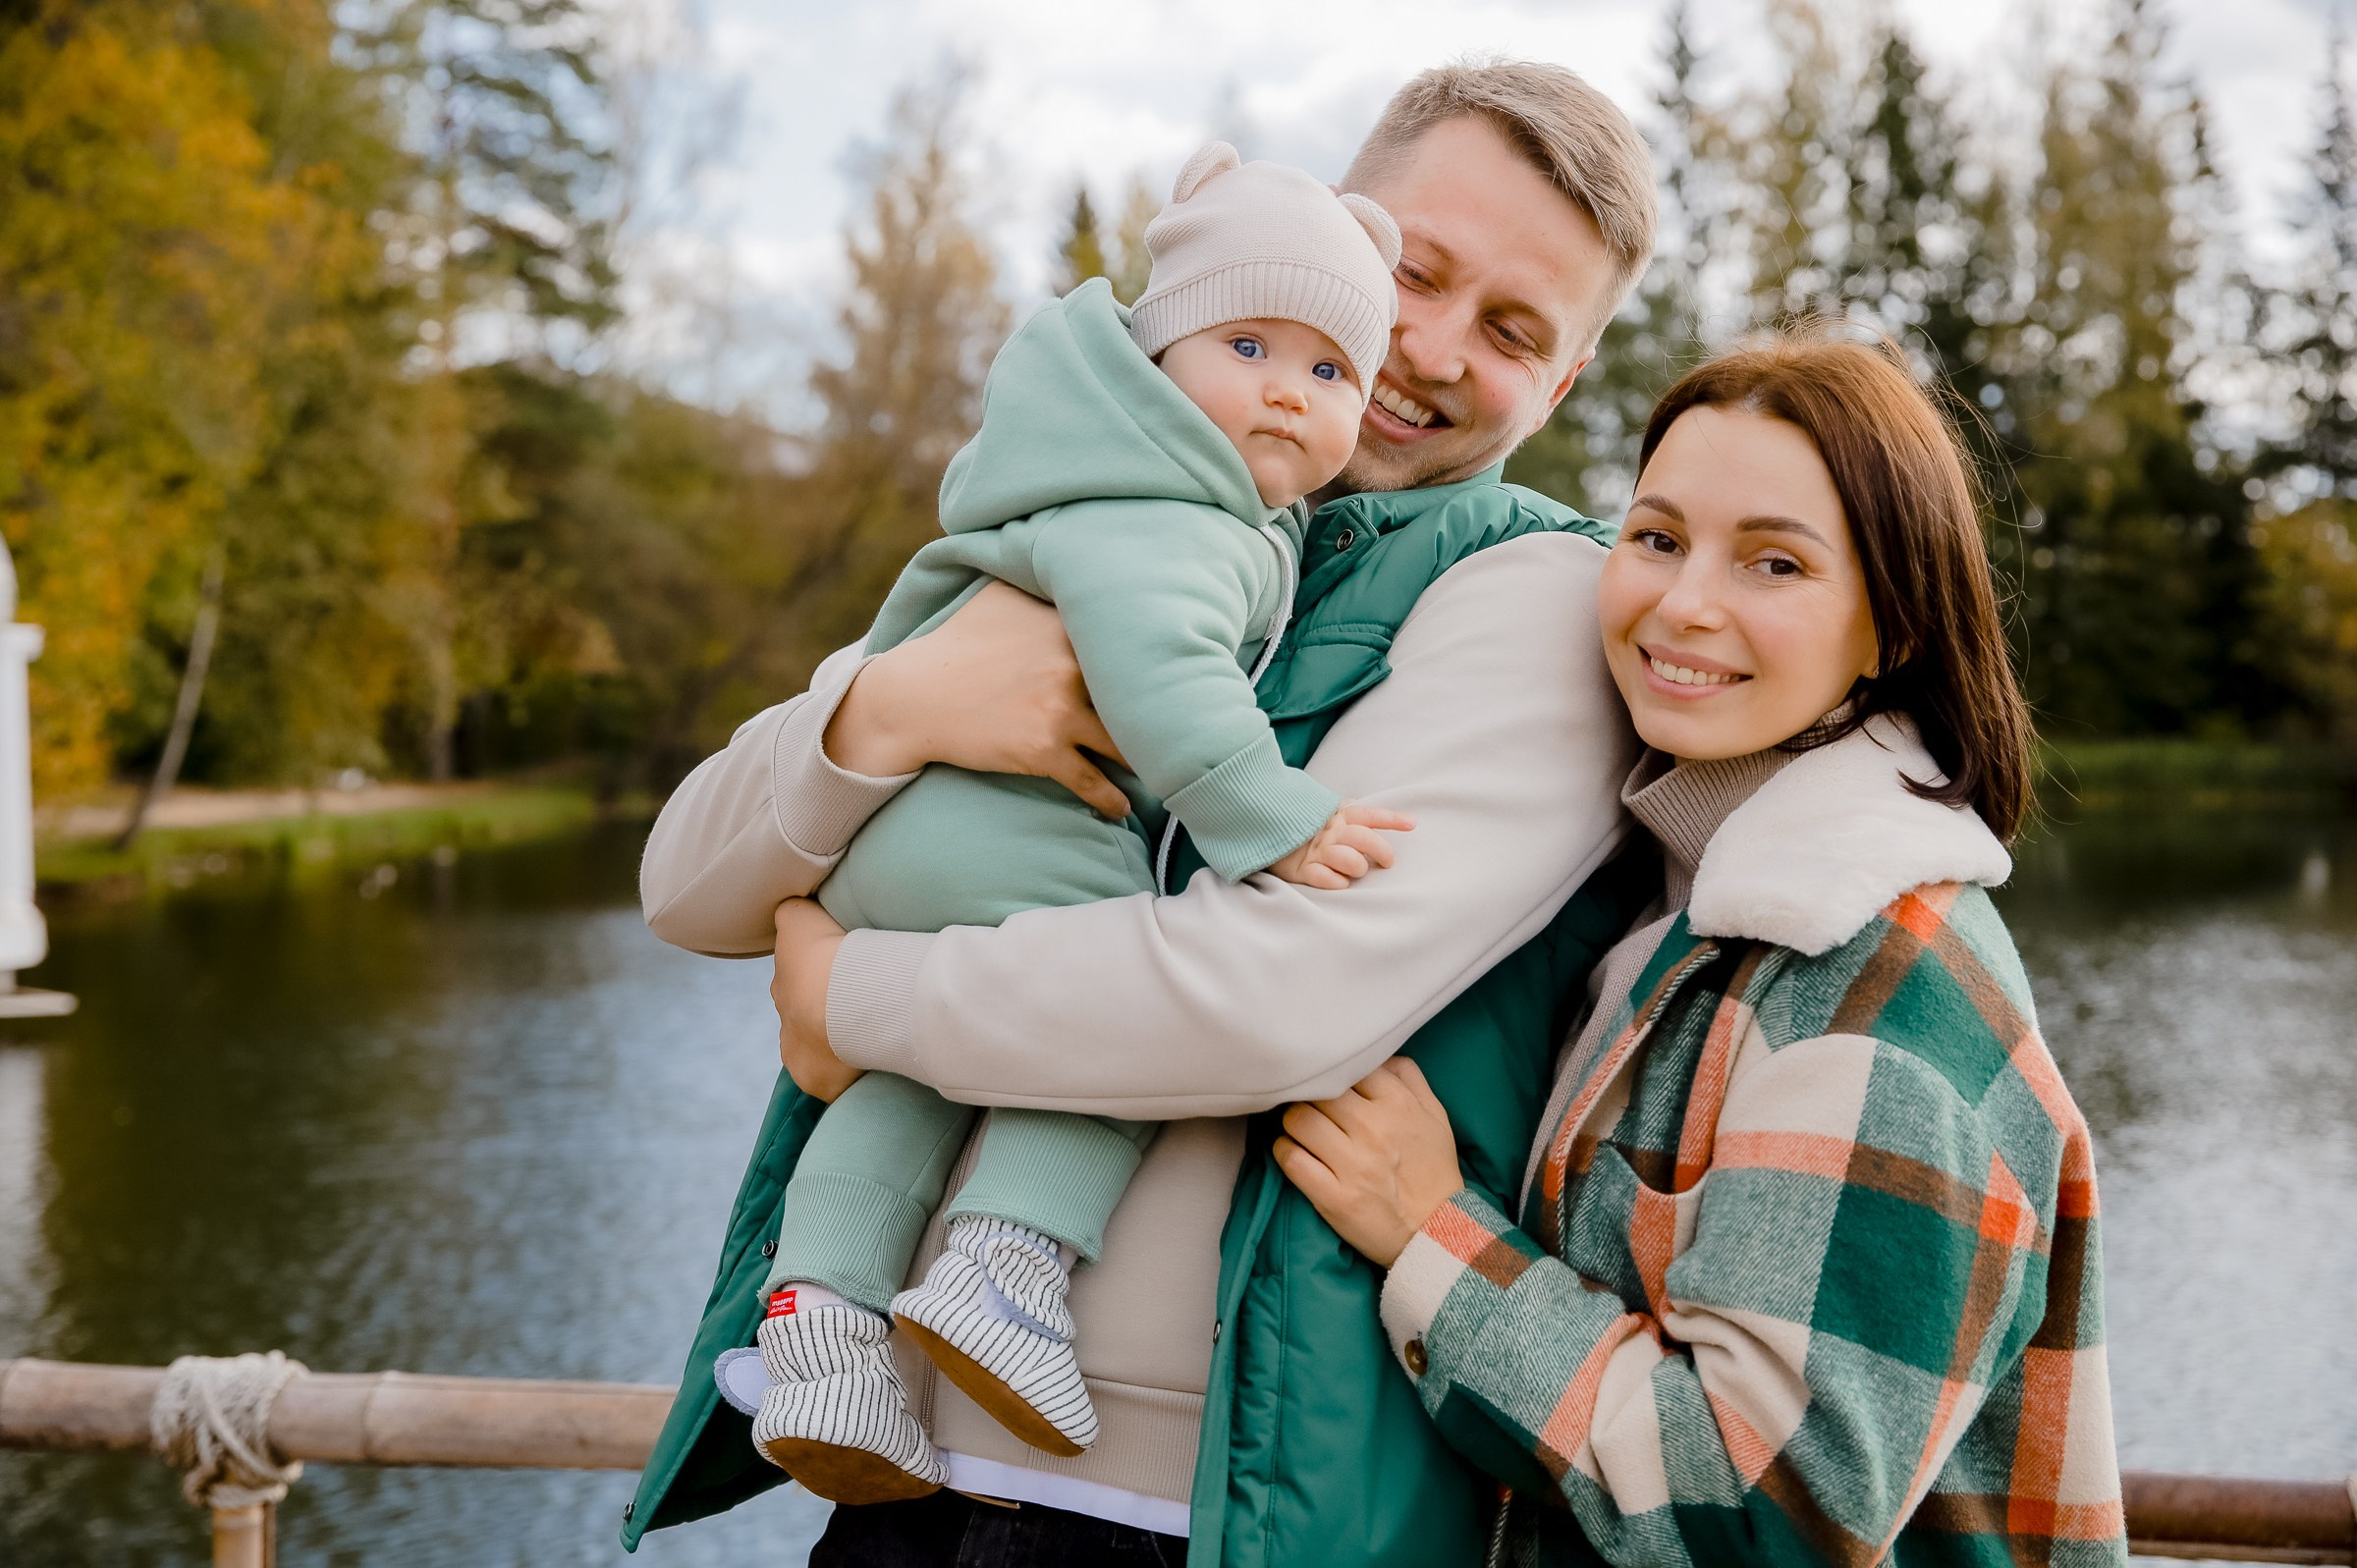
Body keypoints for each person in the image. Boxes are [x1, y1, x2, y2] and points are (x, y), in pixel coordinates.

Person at [626, 60, 1662, 1568]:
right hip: (905, 1480)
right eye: (1412, 271)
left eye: (1512, 332)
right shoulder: (1119, 509)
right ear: (1329, 233)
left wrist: (858, 992)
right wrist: (895, 713)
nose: (1424, 347)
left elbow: (1272, 996)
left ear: (1560, 388)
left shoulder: (1532, 598)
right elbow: (686, 884)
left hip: (1198, 1512)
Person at [1272, 333, 2131, 1568]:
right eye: (1658, 537)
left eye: (1773, 561)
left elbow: (1762, 1511)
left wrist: (1431, 1236)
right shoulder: (1665, 901)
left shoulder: (1875, 977)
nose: (1683, 603)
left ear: (1893, 626)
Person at [720, 143, 1416, 1505]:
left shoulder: (1087, 473)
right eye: (1252, 341)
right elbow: (1164, 682)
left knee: (908, 1077)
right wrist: (1268, 817)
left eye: (1333, 370)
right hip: (1023, 830)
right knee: (1110, 1018)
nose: (1290, 387)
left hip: (911, 840)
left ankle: (821, 1327)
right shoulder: (1176, 508)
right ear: (1159, 354)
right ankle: (1004, 1263)